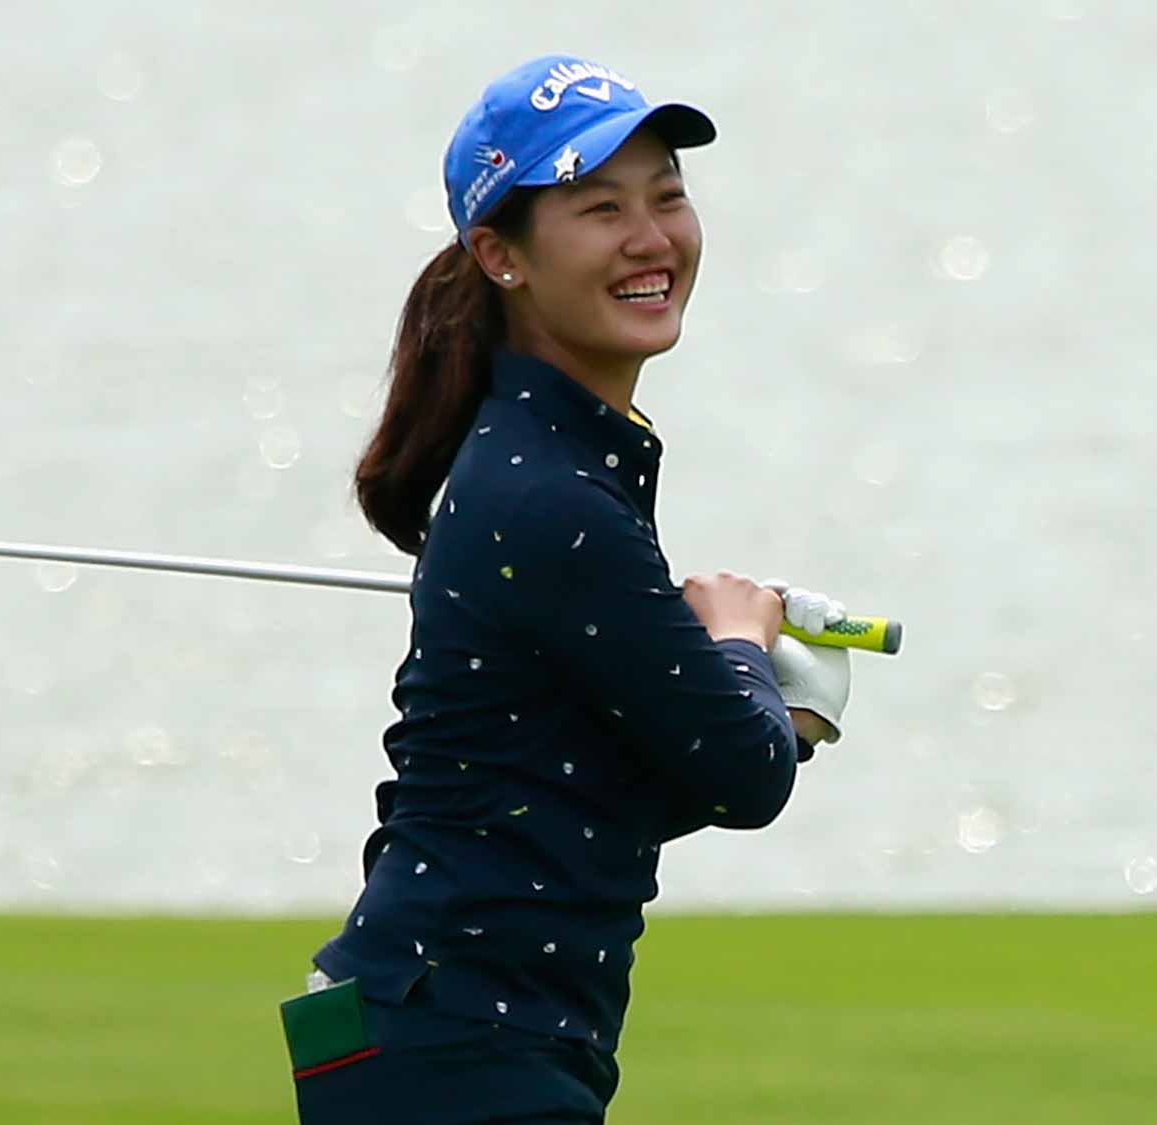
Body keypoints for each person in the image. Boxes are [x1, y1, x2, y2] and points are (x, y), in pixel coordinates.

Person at [277, 54, 855, 1124]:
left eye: (666, 197)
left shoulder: (554, 462)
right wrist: (741, 649)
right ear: (500, 255)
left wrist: (782, 710)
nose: (650, 238)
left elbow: (591, 799)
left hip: (431, 1032)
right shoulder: (549, 495)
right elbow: (743, 778)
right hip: (452, 1041)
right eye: (600, 209)